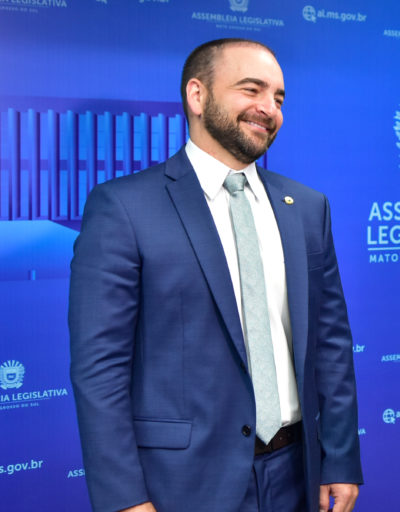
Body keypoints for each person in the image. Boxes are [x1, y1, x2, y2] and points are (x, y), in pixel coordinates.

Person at [69, 38, 362, 512]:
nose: (269, 109)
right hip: (182, 485)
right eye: (252, 90)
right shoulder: (123, 208)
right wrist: (124, 498)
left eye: (279, 98)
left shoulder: (307, 208)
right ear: (197, 95)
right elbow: (99, 368)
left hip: (296, 473)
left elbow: (331, 343)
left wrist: (342, 459)